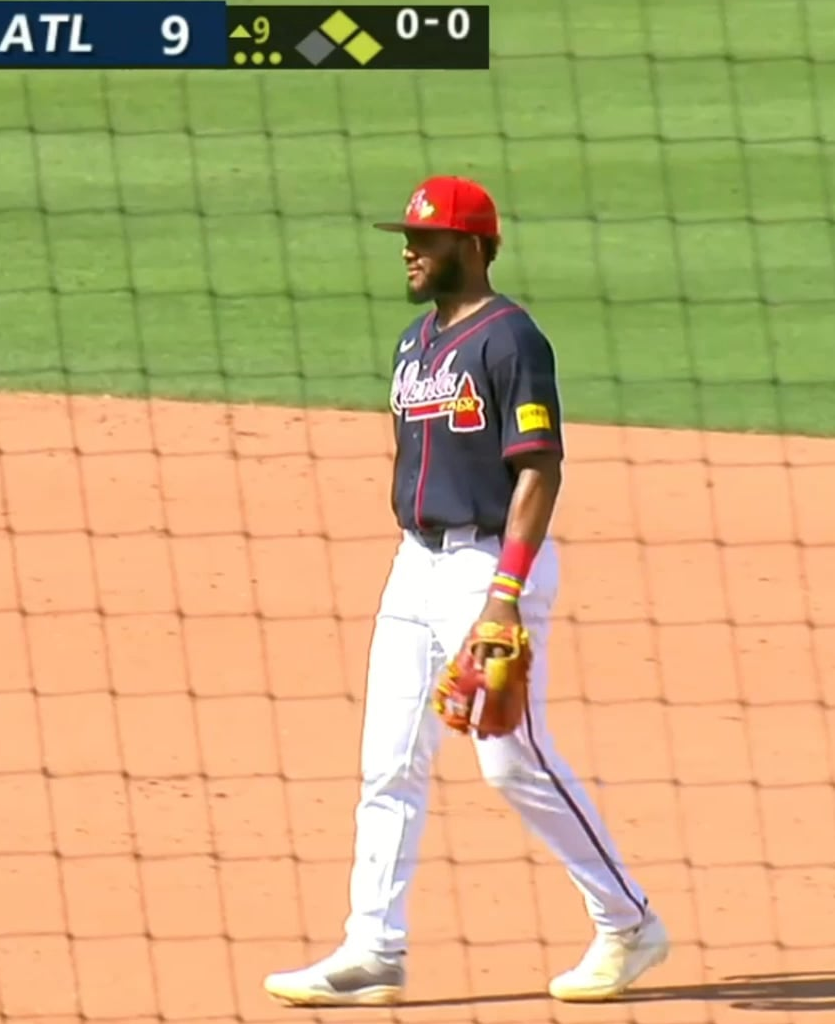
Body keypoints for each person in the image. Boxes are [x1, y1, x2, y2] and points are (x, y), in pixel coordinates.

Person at [262, 176, 670, 1006]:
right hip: (415, 565)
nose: (410, 252)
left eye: (427, 239)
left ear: (474, 247)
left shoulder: (511, 340)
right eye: (408, 239)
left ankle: (629, 923)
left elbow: (540, 470)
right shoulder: (414, 344)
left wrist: (504, 594)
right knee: (387, 761)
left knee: (510, 761)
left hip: (489, 566)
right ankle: (373, 948)